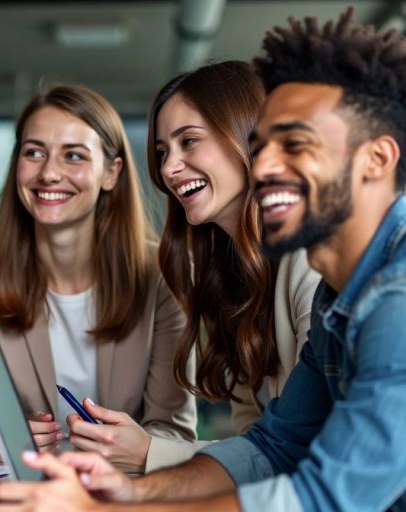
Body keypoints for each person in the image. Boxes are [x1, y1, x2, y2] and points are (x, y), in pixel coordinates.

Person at [0, 8, 406, 511]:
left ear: (377, 159)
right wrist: (134, 490)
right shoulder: (340, 294)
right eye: (261, 145)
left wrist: (100, 508)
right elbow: (273, 447)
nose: (264, 164)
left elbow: (322, 498)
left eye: (296, 145)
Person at [65, 61, 320, 471]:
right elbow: (254, 446)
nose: (167, 169)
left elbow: (309, 448)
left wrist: (150, 453)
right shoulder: (231, 277)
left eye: (189, 141)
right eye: (163, 151)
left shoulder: (310, 256)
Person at [0, 85, 195, 471]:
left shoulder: (164, 274)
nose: (49, 173)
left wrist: (130, 449)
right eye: (34, 152)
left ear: (111, 172)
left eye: (73, 155)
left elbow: (171, 428)